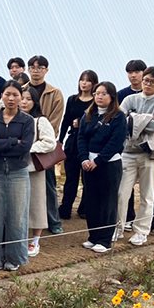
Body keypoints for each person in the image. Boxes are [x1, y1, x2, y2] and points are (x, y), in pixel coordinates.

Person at [0, 81, 34, 272]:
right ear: (1, 96)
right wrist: (14, 141)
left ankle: (15, 257)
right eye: (7, 94)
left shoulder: (27, 120)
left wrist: (1, 142)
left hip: (18, 172)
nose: (11, 98)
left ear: (21, 97)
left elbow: (25, 147)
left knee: (17, 216)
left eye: (15, 95)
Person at [116, 66, 154, 246]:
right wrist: (146, 118)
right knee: (121, 193)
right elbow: (121, 121)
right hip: (128, 152)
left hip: (150, 154)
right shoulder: (130, 99)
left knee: (147, 194)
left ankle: (141, 231)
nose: (148, 84)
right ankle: (117, 227)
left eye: (153, 82)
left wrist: (134, 118)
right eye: (146, 80)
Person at [78, 82, 127, 253]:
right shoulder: (88, 115)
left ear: (112, 97)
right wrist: (84, 158)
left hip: (109, 163)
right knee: (91, 200)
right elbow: (81, 138)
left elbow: (115, 142)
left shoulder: (118, 117)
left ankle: (105, 240)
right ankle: (93, 236)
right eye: (97, 93)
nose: (99, 97)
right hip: (88, 163)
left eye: (103, 94)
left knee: (107, 201)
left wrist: (98, 161)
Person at [26, 55, 64, 235]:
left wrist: (41, 136)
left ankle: (53, 220)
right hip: (23, 148)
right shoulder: (21, 90)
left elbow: (55, 122)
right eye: (33, 67)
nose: (36, 71)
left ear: (46, 70)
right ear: (28, 69)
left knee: (48, 185)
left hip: (44, 146)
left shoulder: (55, 93)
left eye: (40, 67)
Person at [20, 87, 57, 257]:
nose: (24, 102)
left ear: (35, 102)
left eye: (28, 99)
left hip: (34, 167)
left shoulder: (40, 120)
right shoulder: (13, 118)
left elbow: (50, 142)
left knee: (36, 203)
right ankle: (20, 237)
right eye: (22, 98)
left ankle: (35, 240)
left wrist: (27, 148)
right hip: (15, 168)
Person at [58, 70, 98, 221]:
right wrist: (60, 140)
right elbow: (66, 120)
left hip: (89, 142)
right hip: (73, 141)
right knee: (71, 177)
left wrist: (81, 123)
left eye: (88, 80)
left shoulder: (96, 101)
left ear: (93, 83)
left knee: (87, 178)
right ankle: (65, 208)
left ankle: (84, 209)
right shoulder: (72, 99)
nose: (84, 83)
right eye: (82, 80)